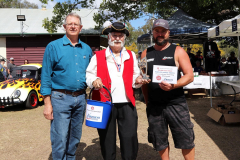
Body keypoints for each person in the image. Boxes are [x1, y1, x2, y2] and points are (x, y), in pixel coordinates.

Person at [86, 22, 148, 160]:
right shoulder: (98, 55)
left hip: (127, 102)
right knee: (107, 139)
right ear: (109, 37)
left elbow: (135, 75)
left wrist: (137, 81)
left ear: (124, 38)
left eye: (120, 36)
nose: (117, 38)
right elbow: (89, 74)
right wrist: (94, 80)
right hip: (105, 103)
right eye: (114, 35)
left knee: (130, 137)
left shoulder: (131, 55)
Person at [40, 12, 92, 160]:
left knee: (75, 137)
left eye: (76, 24)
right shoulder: (53, 47)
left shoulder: (87, 49)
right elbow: (45, 76)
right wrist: (47, 103)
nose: (73, 26)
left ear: (81, 27)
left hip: (81, 98)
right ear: (64, 26)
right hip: (60, 98)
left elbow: (92, 73)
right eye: (70, 24)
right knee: (60, 139)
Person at [141, 19, 195, 160]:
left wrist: (174, 85)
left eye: (163, 31)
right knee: (159, 141)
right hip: (155, 106)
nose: (160, 34)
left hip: (176, 103)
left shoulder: (178, 51)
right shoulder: (145, 53)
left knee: (186, 140)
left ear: (168, 33)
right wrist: (147, 102)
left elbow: (189, 76)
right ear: (152, 32)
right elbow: (143, 80)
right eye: (157, 31)